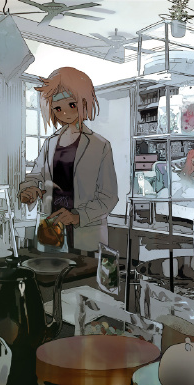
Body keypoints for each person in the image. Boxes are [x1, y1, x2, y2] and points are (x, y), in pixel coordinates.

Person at [19, 66, 118, 253]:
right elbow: (35, 176)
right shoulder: (50, 143)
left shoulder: (100, 145)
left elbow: (109, 196)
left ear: (84, 101)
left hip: (86, 237)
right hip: (51, 232)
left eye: (71, 105)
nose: (64, 113)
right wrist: (28, 190)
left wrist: (77, 216)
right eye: (57, 108)